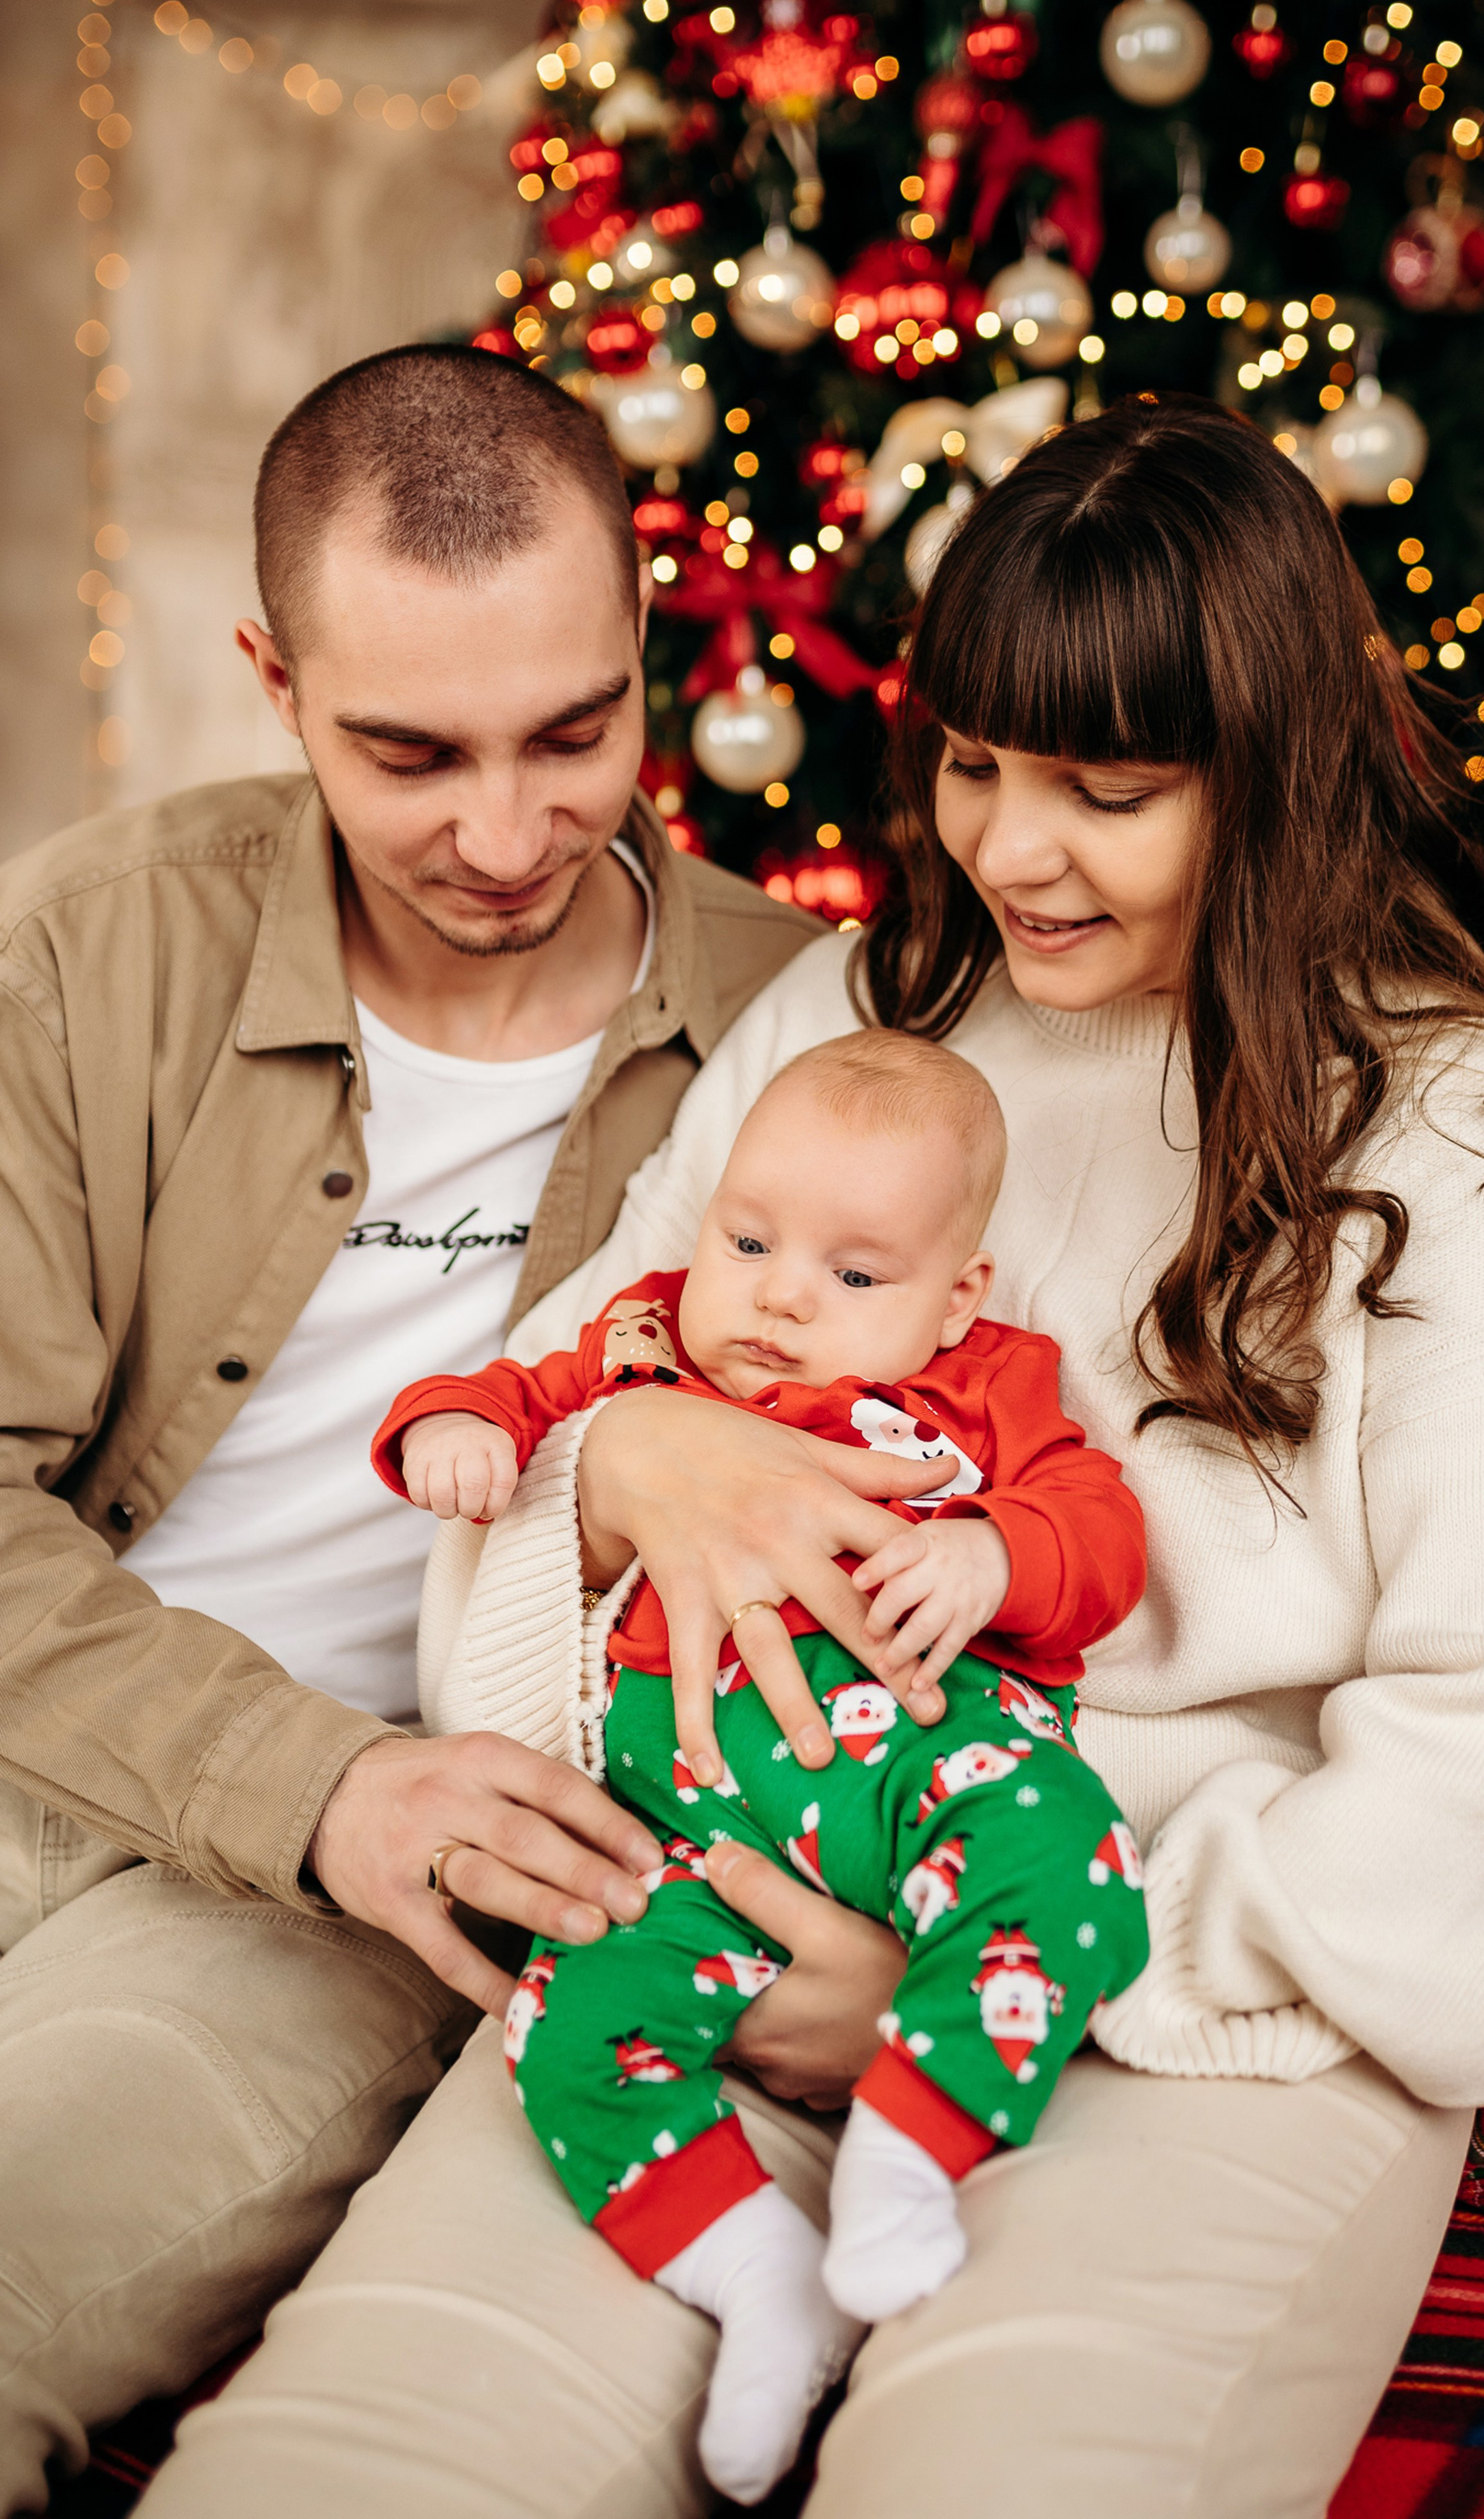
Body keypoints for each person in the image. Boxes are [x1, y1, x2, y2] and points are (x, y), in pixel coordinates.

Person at [137, 393, 1484, 2519]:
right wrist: (632, 1459)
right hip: (725, 1908)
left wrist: (992, 1968)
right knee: (337, 2468)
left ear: (1267, 769)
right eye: (971, 766)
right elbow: (542, 1446)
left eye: (1105, 791)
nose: (1007, 851)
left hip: (1194, 2005)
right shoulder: (874, 1005)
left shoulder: (1436, 1119)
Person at [0, 342, 844, 2515]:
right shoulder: (95, 950)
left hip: (355, 1895)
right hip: (64, 1733)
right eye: (410, 752)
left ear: (652, 640)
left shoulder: (802, 1039)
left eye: (577, 734)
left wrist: (360, 1797)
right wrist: (306, 1769)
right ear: (277, 683)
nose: (505, 834)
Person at [375, 1030, 1150, 2503]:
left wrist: (993, 1554)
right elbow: (510, 1397)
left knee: (1067, 1856)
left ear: (955, 1294)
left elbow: (1098, 1534)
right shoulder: (650, 1343)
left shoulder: (987, 1391)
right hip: (679, 1825)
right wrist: (458, 1432)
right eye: (748, 1239)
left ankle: (912, 2153)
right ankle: (753, 2275)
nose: (783, 1295)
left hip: (923, 1770)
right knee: (566, 2021)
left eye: (856, 1277)